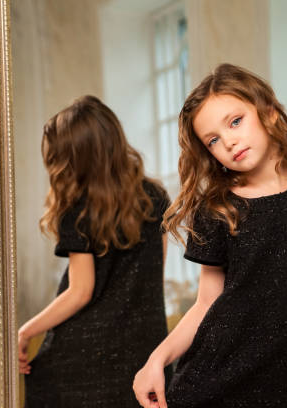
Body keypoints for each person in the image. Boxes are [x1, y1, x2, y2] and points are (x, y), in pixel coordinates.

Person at [133, 64, 287, 408]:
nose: (229, 141)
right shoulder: (215, 209)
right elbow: (206, 303)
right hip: (220, 379)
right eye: (213, 140)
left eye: (235, 121)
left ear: (270, 112)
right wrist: (156, 359)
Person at [20, 95, 172, 407]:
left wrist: (25, 331)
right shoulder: (155, 196)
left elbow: (80, 292)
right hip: (142, 350)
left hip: (82, 358)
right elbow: (155, 273)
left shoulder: (77, 209)